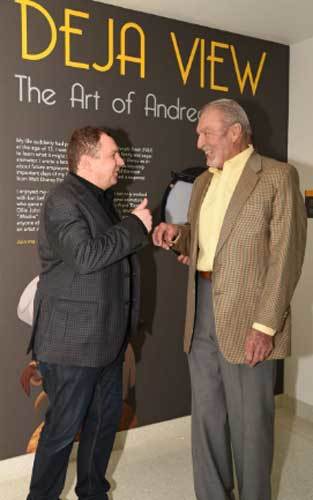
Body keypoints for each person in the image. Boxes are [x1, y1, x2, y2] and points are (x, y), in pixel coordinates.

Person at [152, 99, 307, 500]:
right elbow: (206, 240)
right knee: (206, 419)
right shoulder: (204, 181)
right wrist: (177, 234)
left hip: (249, 318)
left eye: (206, 131)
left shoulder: (277, 176)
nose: (199, 140)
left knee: (251, 426)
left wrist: (265, 325)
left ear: (235, 131)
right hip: (201, 309)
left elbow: (286, 257)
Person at [26, 126, 152, 500]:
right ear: (86, 160)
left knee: (101, 426)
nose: (121, 161)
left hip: (106, 341)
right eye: (113, 154)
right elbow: (85, 257)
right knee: (62, 432)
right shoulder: (62, 199)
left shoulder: (98, 199)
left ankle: (93, 492)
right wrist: (133, 226)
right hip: (70, 347)